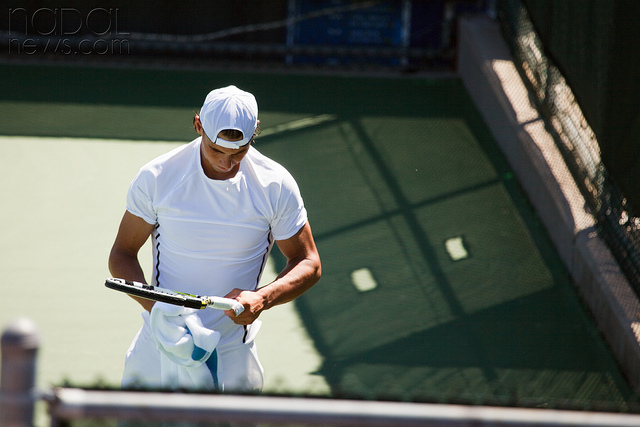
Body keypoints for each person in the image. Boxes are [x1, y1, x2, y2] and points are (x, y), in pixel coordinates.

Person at [108, 85, 321, 392]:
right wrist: (159, 313)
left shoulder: (276, 185)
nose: (226, 162)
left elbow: (309, 262)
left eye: (238, 152)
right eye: (216, 150)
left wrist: (263, 298)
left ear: (255, 131)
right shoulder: (157, 177)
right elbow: (122, 254)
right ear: (198, 125)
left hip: (233, 357)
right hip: (159, 346)